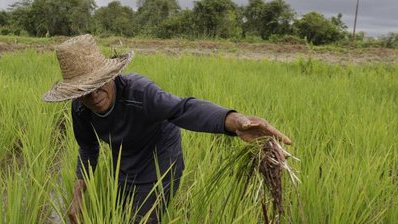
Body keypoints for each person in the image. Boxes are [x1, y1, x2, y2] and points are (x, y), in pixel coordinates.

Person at [42, 34, 292, 224]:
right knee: (119, 210)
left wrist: (235, 121)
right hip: (125, 158)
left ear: (111, 74)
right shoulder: (80, 109)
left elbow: (184, 109)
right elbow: (88, 148)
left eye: (99, 84)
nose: (95, 96)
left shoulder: (140, 93)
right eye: (85, 91)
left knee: (144, 218)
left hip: (161, 160)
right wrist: (78, 193)